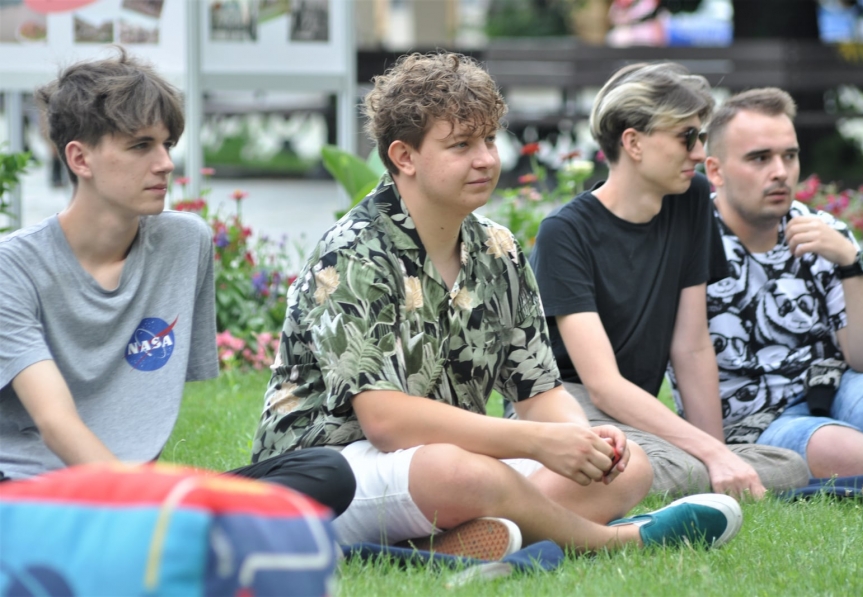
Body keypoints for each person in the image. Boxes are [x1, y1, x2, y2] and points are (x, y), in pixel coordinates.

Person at [251, 52, 743, 559]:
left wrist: (582, 441)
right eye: (461, 145)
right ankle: (616, 540)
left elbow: (539, 392)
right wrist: (536, 442)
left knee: (629, 464)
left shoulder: (498, 249)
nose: (486, 159)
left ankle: (449, 543)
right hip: (328, 475)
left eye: (489, 140)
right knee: (459, 471)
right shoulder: (353, 252)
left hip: (445, 471)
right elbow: (386, 422)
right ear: (404, 157)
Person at [0, 50, 355, 516]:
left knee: (327, 473)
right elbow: (55, 422)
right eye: (140, 146)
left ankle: (171, 530)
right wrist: (143, 504)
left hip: (142, 497)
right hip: (32, 494)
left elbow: (139, 411)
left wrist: (153, 499)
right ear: (80, 158)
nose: (166, 163)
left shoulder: (185, 243)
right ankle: (179, 531)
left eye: (167, 144)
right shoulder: (12, 267)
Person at [526, 62, 809, 500]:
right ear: (633, 142)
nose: (698, 152)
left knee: (789, 467)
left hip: (632, 416)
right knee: (679, 467)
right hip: (566, 406)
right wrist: (711, 456)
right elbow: (602, 384)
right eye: (686, 137)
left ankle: (611, 481)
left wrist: (721, 456)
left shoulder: (690, 199)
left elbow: (691, 347)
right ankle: (533, 482)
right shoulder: (564, 232)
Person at [676, 87, 863, 477]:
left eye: (789, 156)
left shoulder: (823, 231)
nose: (780, 171)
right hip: (754, 421)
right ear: (715, 171)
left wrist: (851, 263)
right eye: (760, 158)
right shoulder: (688, 245)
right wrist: (715, 456)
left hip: (839, 385)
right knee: (831, 445)